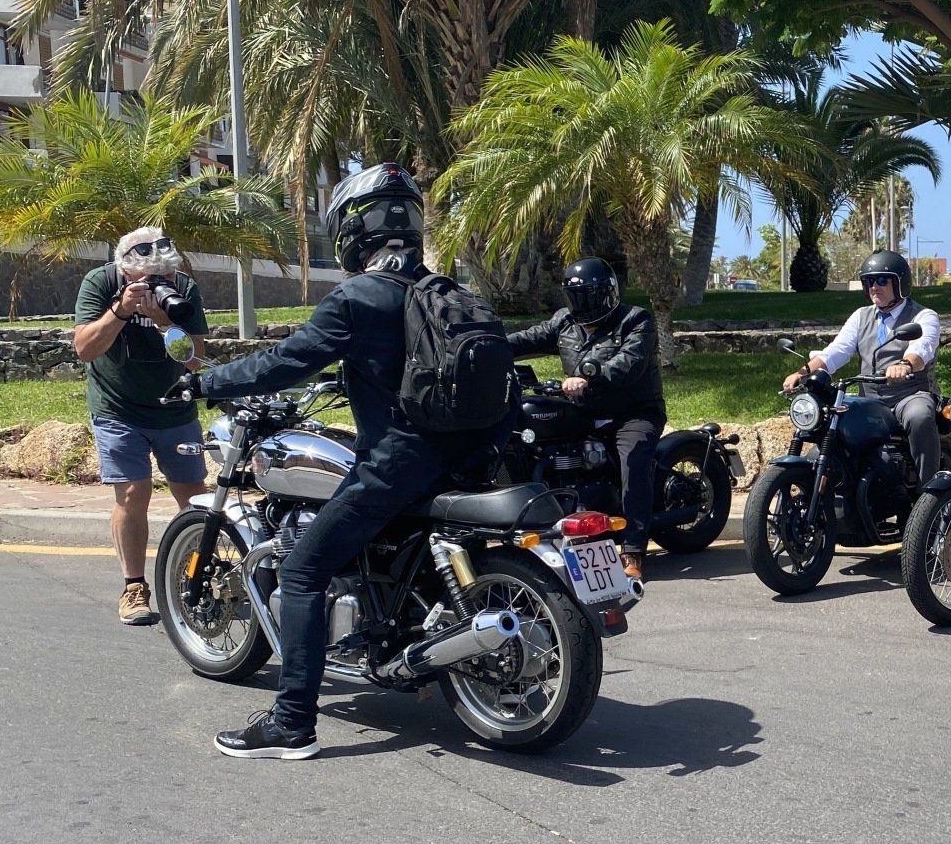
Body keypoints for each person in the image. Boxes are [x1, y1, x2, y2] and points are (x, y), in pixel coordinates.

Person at [171, 163, 507, 761]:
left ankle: (292, 723)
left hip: (396, 465)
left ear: (353, 230)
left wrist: (205, 383)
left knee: (302, 570)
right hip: (470, 458)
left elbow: (285, 362)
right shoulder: (443, 292)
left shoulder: (359, 296)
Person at [72, 227, 211, 625]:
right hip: (118, 407)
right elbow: (84, 349)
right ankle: (134, 587)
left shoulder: (184, 288)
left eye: (165, 278)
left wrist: (166, 323)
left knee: (194, 497)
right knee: (133, 493)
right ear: (125, 271)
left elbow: (196, 360)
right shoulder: (101, 282)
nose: (159, 285)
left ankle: (196, 580)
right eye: (149, 280)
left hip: (174, 408)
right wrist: (119, 311)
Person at [507, 259, 664, 583]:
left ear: (606, 293)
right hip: (582, 409)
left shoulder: (636, 320)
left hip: (633, 411)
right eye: (576, 297)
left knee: (632, 461)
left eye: (588, 296)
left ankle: (633, 551)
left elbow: (629, 362)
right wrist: (487, 346)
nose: (582, 304)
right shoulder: (564, 323)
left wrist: (591, 376)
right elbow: (525, 339)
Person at [783, 250, 942, 482]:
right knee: (831, 422)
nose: (874, 287)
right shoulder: (861, 316)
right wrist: (802, 372)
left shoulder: (923, 316)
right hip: (869, 399)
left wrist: (905, 364)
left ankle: (930, 496)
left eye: (881, 280)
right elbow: (836, 351)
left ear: (900, 283)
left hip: (909, 394)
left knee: (920, 417)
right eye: (868, 281)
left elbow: (922, 349)